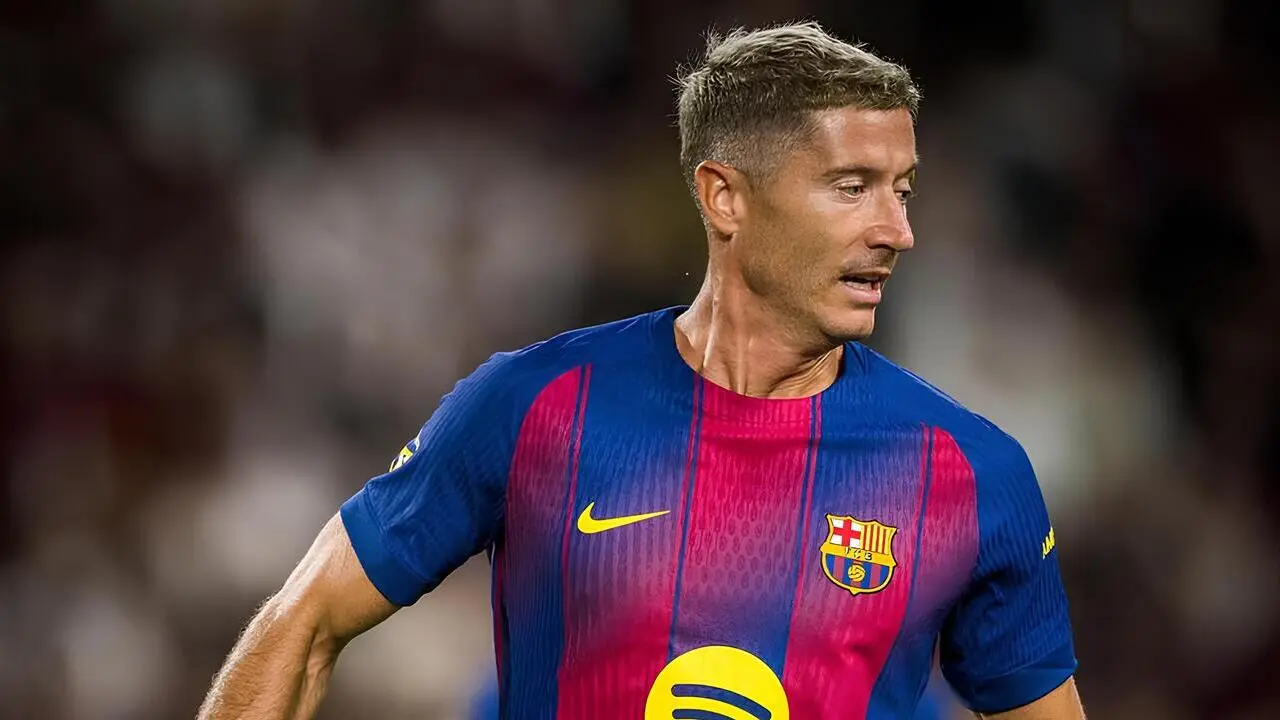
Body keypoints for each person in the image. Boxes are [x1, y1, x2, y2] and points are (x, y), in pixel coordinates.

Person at [198, 22, 1084, 719]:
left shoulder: (971, 472)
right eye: (853, 187)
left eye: (904, 189)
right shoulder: (538, 407)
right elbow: (303, 625)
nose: (897, 231)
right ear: (725, 196)